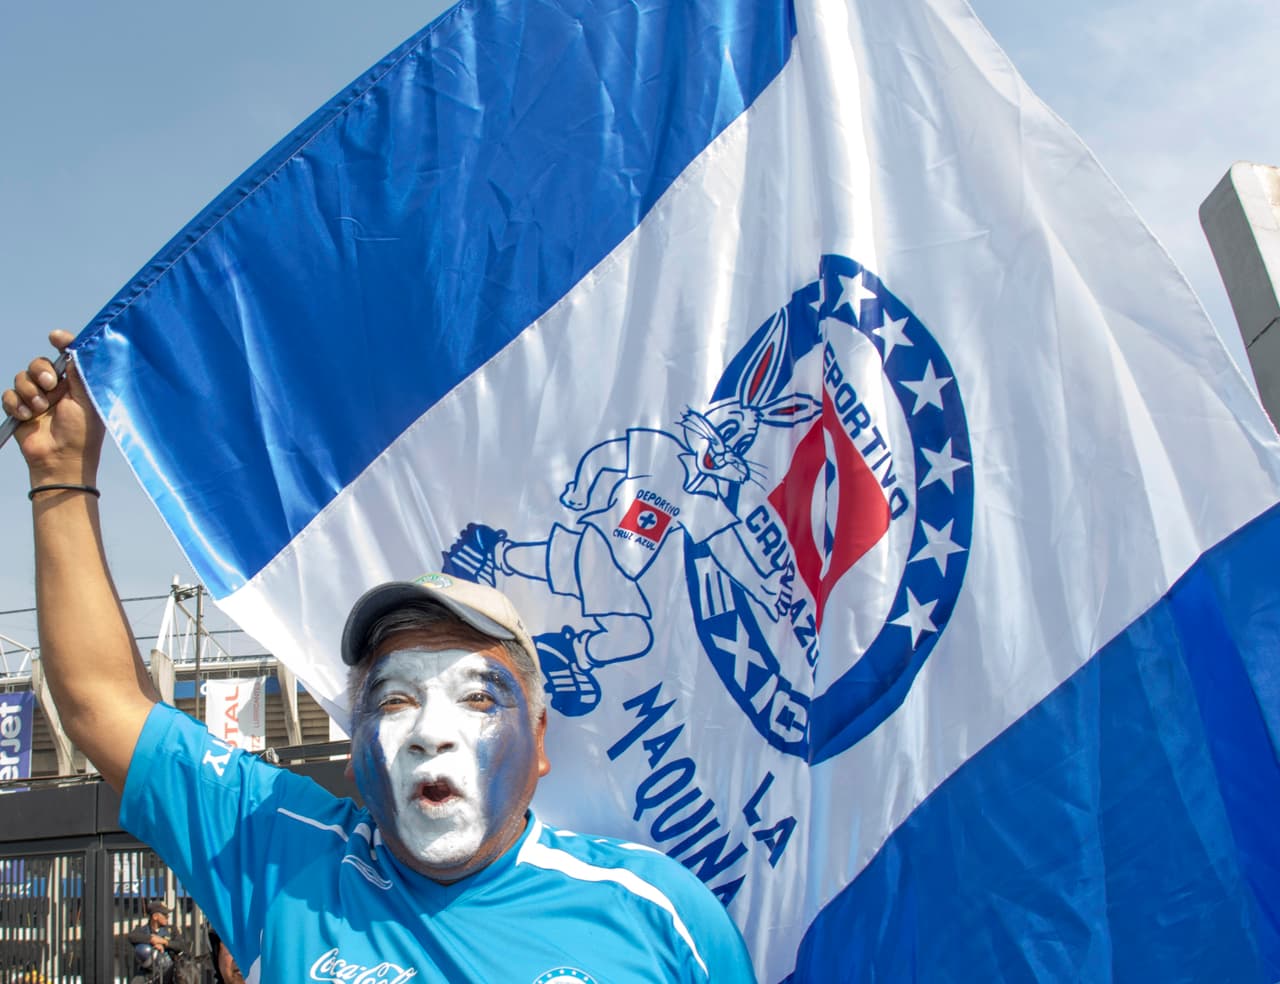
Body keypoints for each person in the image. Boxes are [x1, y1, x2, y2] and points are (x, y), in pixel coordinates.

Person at [4, 330, 756, 982]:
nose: (432, 732)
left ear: (541, 742)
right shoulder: (281, 855)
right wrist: (61, 475)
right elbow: (103, 704)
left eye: (477, 697)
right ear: (356, 740)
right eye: (394, 700)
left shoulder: (664, 915)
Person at [127, 901, 186, 983]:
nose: (167, 917)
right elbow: (131, 937)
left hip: (169, 971)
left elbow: (181, 946)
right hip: (148, 973)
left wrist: (164, 942)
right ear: (155, 916)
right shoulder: (142, 930)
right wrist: (152, 940)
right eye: (164, 914)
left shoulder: (172, 930)